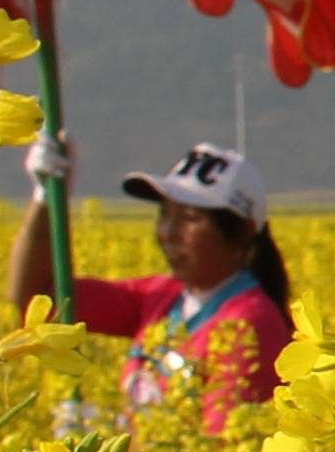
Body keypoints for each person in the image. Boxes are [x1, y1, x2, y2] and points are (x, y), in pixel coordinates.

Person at [15, 134, 295, 430]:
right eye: (165, 215)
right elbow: (39, 300)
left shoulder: (249, 323)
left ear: (241, 234)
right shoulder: (162, 298)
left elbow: (221, 450)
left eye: (189, 218)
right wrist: (45, 198)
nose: (168, 233)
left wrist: (108, 440)